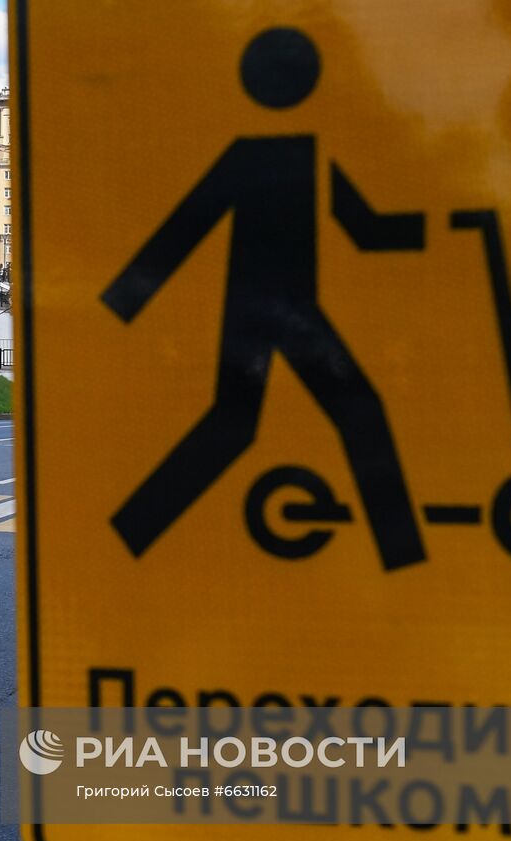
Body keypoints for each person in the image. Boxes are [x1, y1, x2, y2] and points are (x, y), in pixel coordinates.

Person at [101, 26, 426, 572]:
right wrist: (437, 226)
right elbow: (366, 229)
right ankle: (404, 550)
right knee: (356, 411)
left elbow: (186, 227)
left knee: (235, 423)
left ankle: (135, 528)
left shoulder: (263, 155)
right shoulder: (292, 154)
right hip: (286, 313)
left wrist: (125, 299)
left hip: (266, 310)